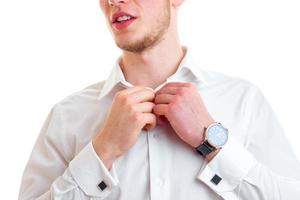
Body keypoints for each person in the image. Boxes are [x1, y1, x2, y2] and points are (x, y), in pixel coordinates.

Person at [19, 0, 300, 199]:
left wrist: (212, 141)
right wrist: (103, 150)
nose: (114, 1)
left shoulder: (243, 100)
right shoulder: (68, 115)